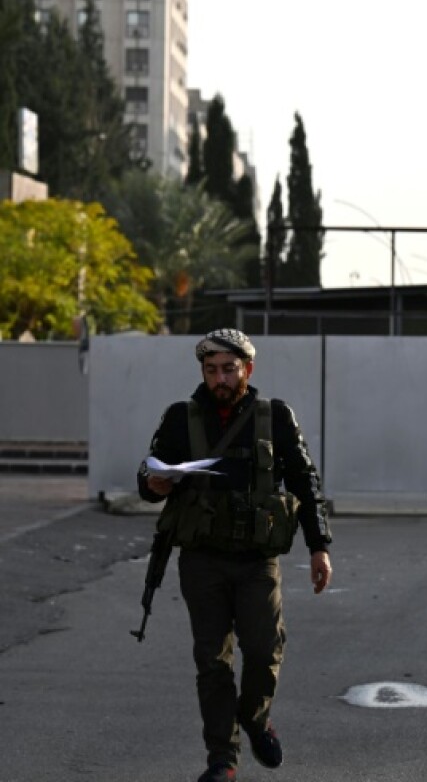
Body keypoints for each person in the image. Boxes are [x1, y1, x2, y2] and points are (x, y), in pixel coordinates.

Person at [137, 328, 333, 782]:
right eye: (211, 371)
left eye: (229, 369)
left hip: (255, 560)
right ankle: (222, 760)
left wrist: (319, 547)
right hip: (202, 560)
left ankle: (256, 717)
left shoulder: (276, 417)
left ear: (248, 368)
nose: (220, 379)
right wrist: (154, 483)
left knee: (265, 650)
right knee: (212, 661)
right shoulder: (179, 419)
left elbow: (306, 483)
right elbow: (148, 475)